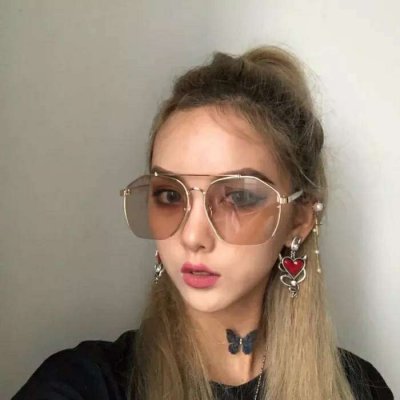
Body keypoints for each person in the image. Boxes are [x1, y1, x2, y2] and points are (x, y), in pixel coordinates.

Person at [12, 46, 393, 400]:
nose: (192, 235)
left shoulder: (358, 388)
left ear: (299, 219)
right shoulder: (83, 383)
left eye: (239, 197)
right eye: (170, 195)